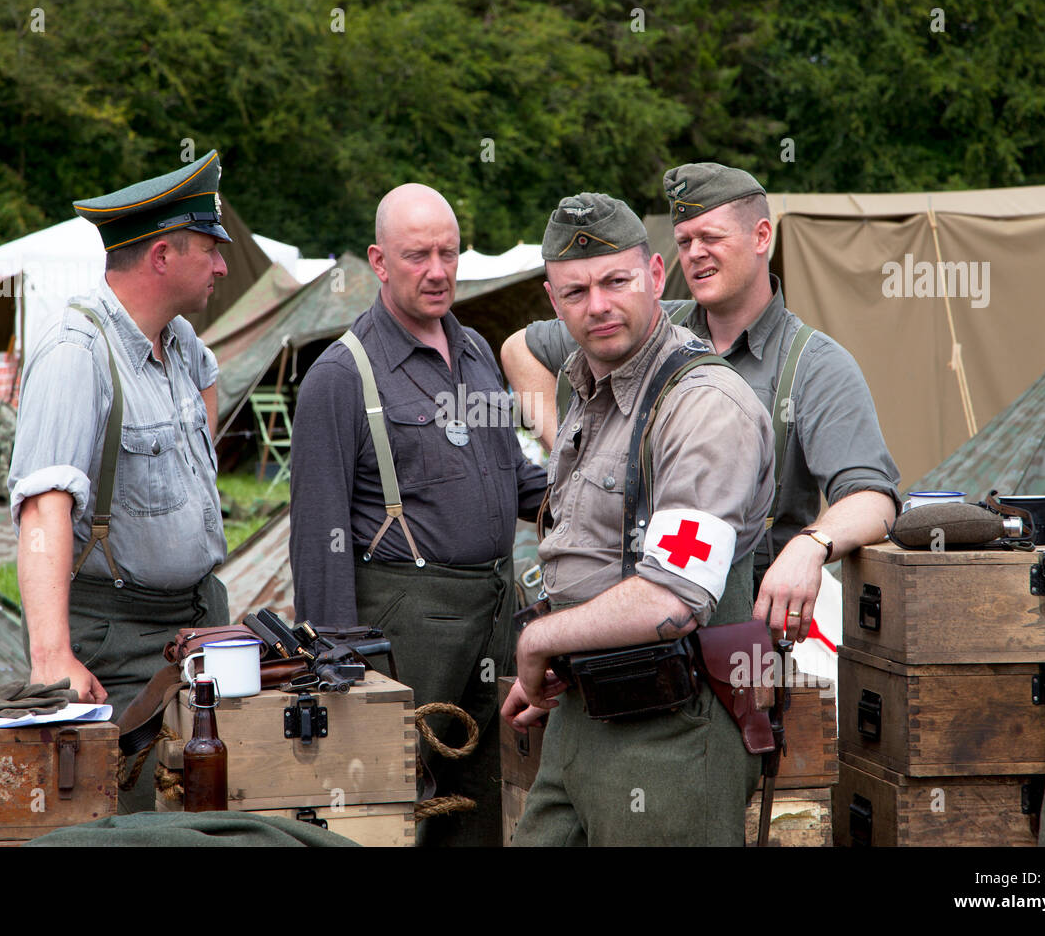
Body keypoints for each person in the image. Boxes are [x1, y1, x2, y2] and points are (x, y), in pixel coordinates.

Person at [502, 163, 900, 642]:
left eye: (710, 236)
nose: (695, 254)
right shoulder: (643, 326)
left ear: (761, 237)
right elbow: (519, 349)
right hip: (616, 615)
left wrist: (810, 545)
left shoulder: (814, 364)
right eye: (684, 241)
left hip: (736, 629)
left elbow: (874, 497)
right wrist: (573, 453)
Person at [501, 192, 774, 845]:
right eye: (575, 292)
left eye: (615, 281)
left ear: (655, 277)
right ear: (552, 301)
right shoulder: (588, 388)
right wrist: (555, 662)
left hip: (672, 733)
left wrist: (540, 642)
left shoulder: (703, 407)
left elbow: (676, 596)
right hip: (579, 716)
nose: (597, 305)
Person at [289, 183, 548, 846]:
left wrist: (598, 494)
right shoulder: (340, 376)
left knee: (473, 809)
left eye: (448, 252)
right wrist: (340, 670)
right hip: (404, 635)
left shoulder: (476, 353)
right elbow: (320, 539)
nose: (437, 270)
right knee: (386, 811)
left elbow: (515, 478)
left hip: (491, 621)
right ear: (378, 262)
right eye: (417, 256)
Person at [8, 150, 232, 812]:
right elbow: (43, 510)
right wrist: (51, 658)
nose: (223, 265)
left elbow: (209, 390)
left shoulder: (180, 340)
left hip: (194, 626)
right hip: (122, 642)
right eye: (210, 249)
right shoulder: (78, 353)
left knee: (212, 815)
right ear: (162, 257)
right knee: (136, 824)